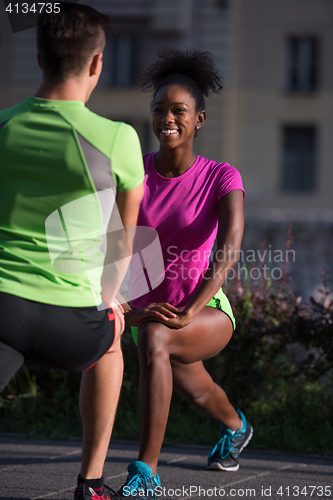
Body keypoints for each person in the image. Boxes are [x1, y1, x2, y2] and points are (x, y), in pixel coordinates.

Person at [0, 4, 144, 500]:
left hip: (2, 312)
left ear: (39, 57)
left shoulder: (2, 127)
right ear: (98, 63)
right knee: (112, 341)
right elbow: (123, 240)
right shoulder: (119, 138)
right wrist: (109, 297)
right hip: (74, 327)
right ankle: (91, 483)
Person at [118, 49, 253, 499]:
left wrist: (189, 309)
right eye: (159, 110)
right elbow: (109, 249)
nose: (167, 119)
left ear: (200, 119)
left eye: (179, 110)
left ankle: (146, 475)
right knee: (197, 391)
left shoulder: (220, 176)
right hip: (149, 312)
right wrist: (129, 313)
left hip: (206, 309)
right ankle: (236, 426)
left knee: (159, 339)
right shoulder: (133, 171)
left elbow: (229, 249)